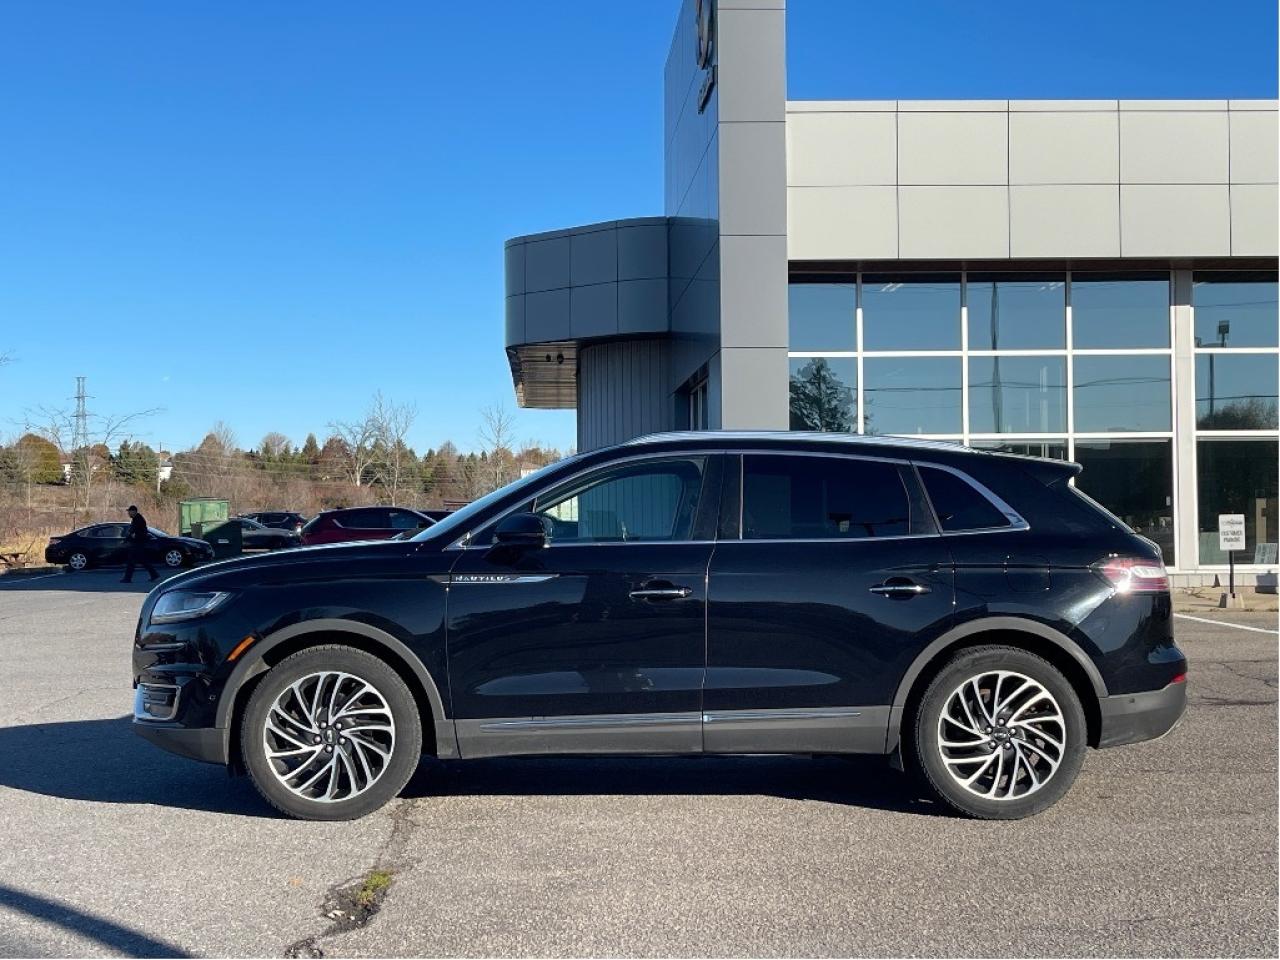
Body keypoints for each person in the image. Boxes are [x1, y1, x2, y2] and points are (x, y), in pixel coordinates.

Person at [122, 505, 159, 583]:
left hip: (138, 543)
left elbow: (140, 532)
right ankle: (154, 574)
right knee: (142, 560)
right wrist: (127, 539)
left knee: (131, 561)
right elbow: (132, 531)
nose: (128, 513)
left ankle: (127, 578)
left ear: (134, 511)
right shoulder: (135, 519)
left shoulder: (138, 519)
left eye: (129, 511)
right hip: (137, 543)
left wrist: (134, 536)